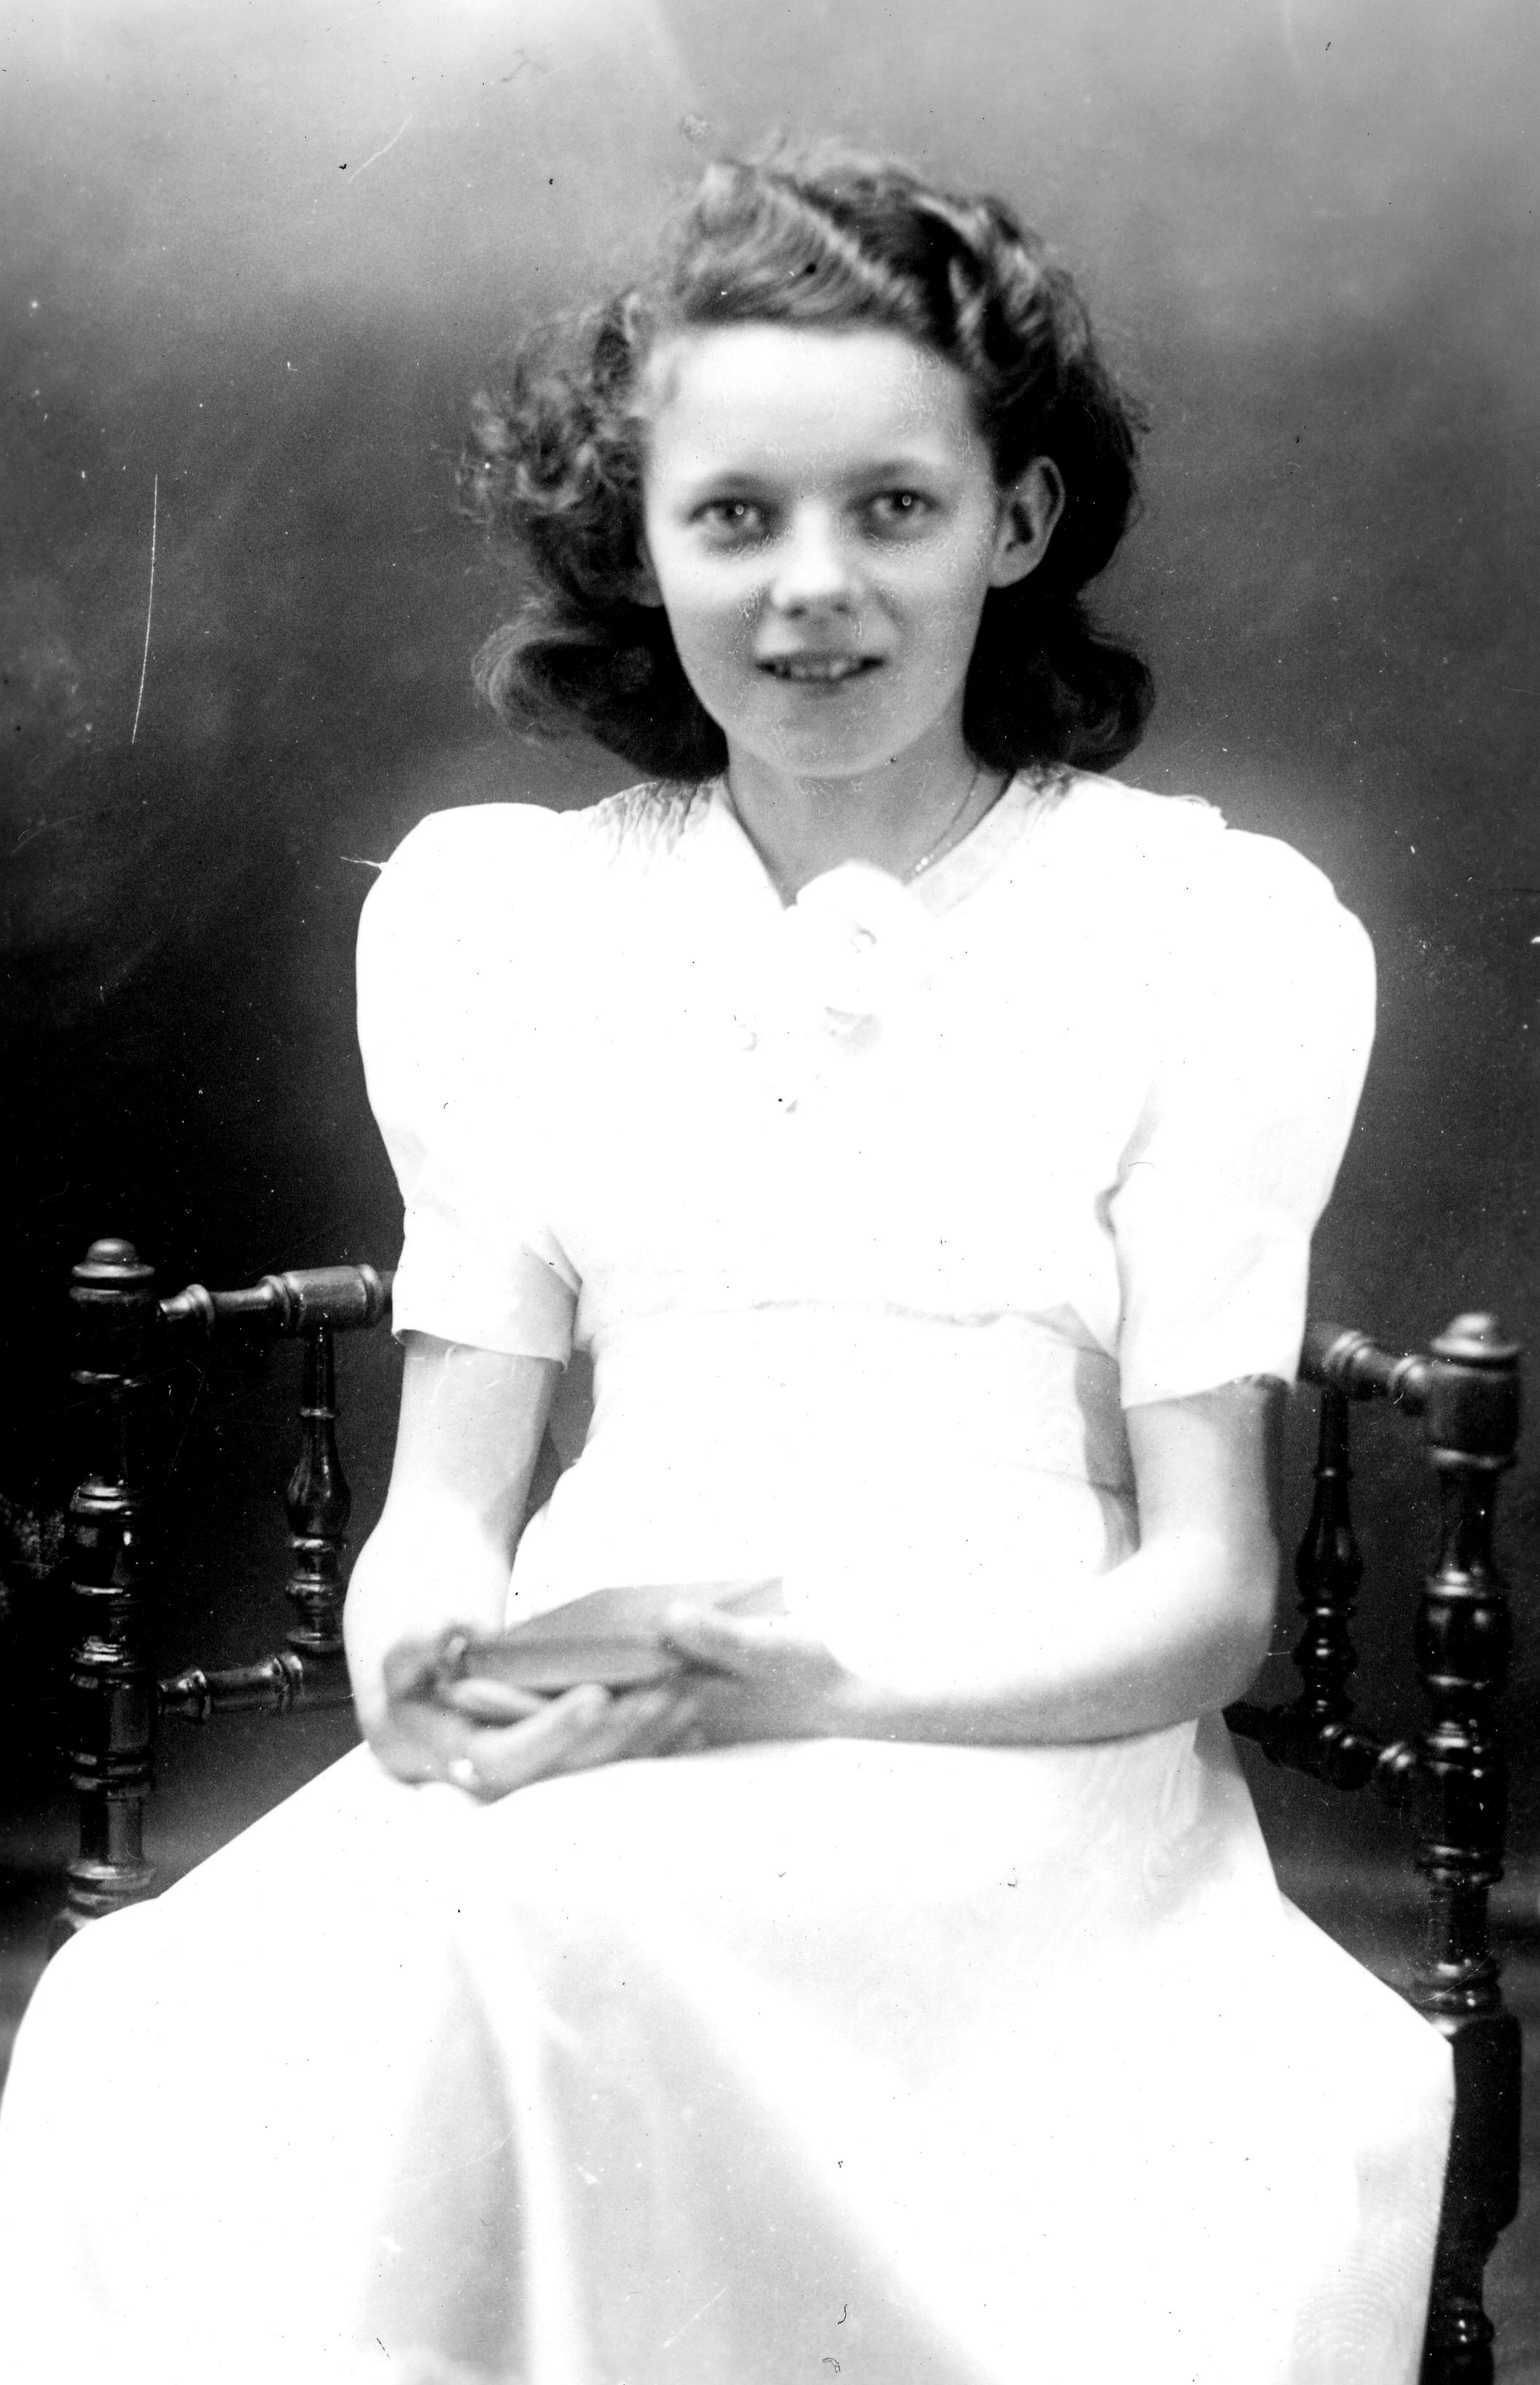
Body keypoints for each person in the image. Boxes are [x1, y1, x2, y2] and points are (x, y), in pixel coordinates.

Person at [0, 146, 1451, 2385]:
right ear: (644, 539)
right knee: (188, 2022)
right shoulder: (507, 923)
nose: (811, 590)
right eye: (735, 516)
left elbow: (1204, 1601)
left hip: (1001, 1745)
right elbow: (447, 1510)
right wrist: (427, 1666)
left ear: (1016, 523)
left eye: (894, 507)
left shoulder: (1195, 933)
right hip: (604, 1697)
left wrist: (802, 1689)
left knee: (555, 1937)